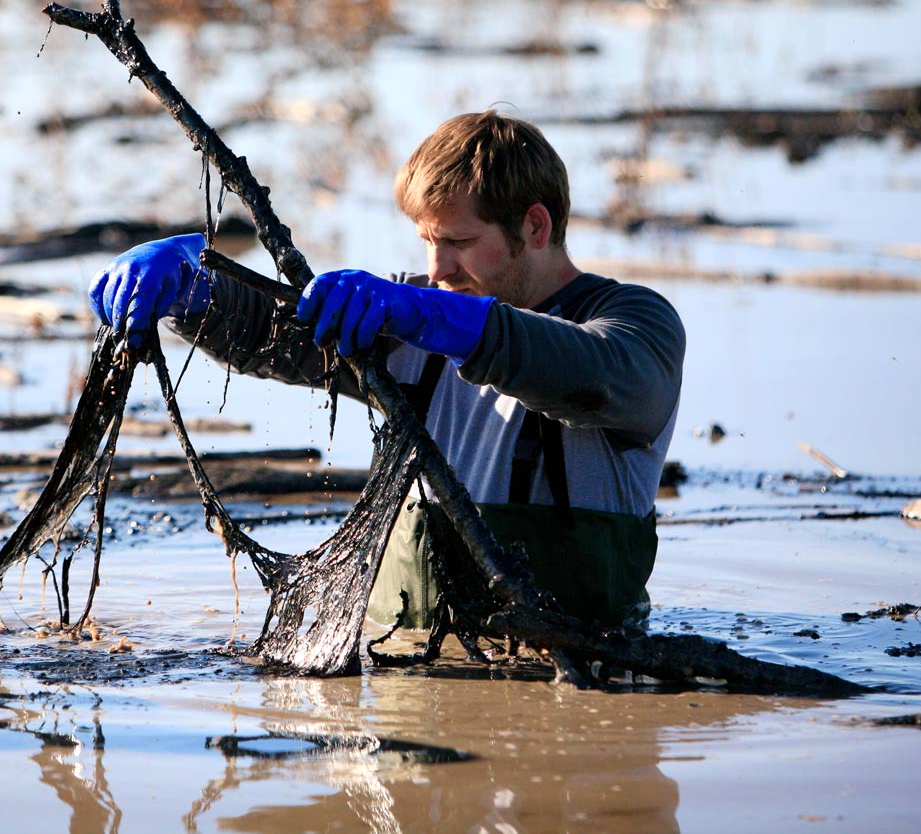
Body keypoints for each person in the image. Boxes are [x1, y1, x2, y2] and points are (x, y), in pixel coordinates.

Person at [88, 111, 685, 630]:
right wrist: (190, 294)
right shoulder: (413, 317)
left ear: (535, 227)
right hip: (404, 658)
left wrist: (432, 314)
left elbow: (606, 378)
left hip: (578, 666)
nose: (438, 265)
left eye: (459, 240)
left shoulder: (636, 320)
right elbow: (274, 335)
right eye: (426, 239)